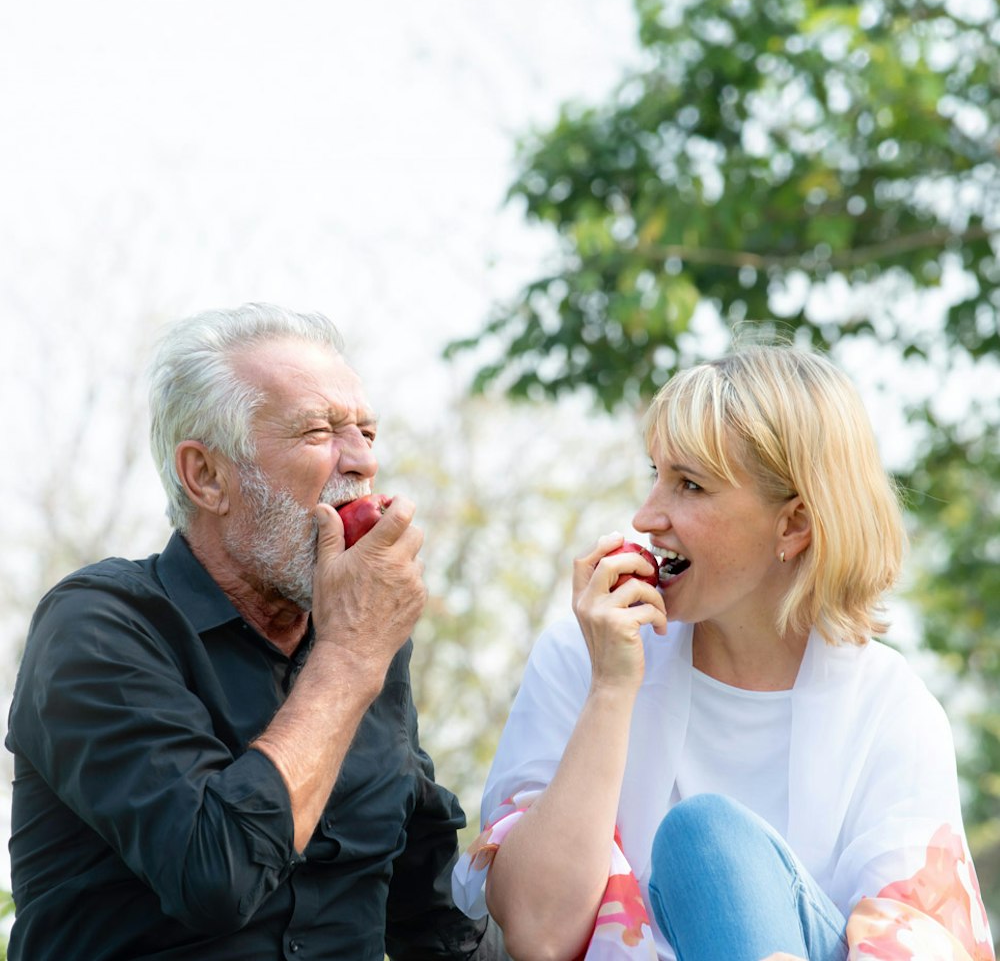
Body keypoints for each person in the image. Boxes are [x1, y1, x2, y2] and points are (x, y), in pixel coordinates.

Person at [451, 339, 995, 961]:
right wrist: (610, 691)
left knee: (708, 843)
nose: (647, 516)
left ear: (793, 524)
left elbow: (919, 944)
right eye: (654, 475)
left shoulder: (893, 709)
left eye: (689, 485)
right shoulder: (582, 658)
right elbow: (537, 933)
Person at [6, 302, 502, 960]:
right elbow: (215, 873)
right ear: (207, 476)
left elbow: (427, 918)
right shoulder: (99, 628)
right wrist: (351, 658)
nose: (360, 461)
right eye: (319, 431)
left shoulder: (363, 642)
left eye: (367, 432)